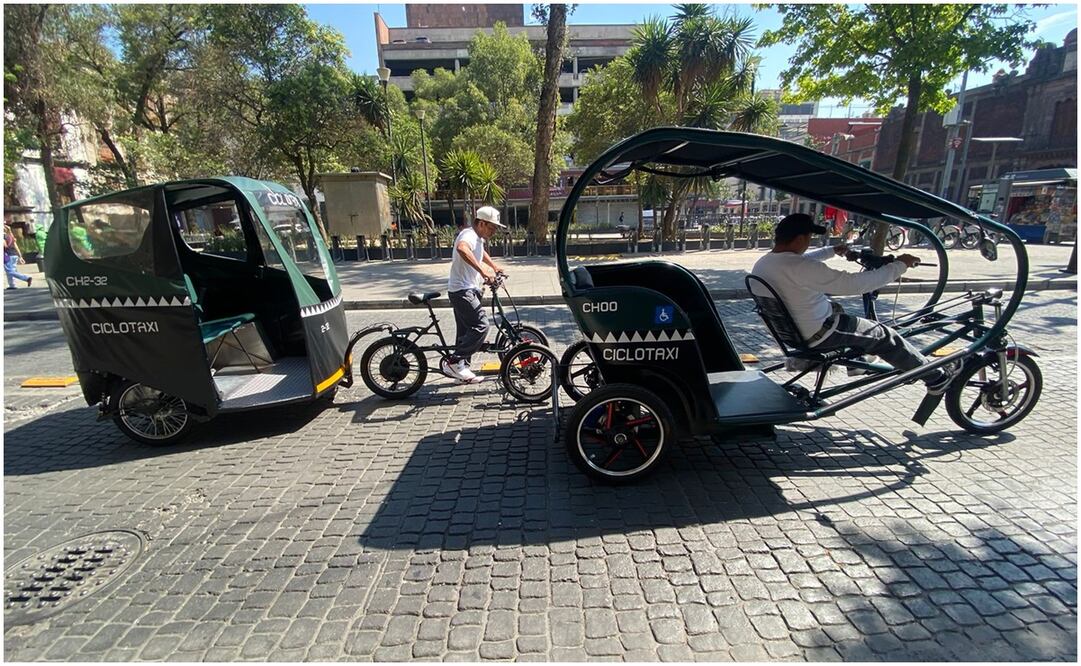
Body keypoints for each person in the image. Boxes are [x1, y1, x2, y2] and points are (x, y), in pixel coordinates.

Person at [751, 213, 955, 394]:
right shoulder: (800, 267)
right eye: (809, 237)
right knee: (884, 335)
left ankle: (856, 363)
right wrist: (900, 265)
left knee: (838, 309)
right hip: (820, 334)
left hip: (792, 333)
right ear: (800, 239)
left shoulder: (765, 263)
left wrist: (831, 251)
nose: (809, 242)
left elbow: (802, 260)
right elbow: (855, 285)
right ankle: (936, 377)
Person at [442, 206, 507, 382]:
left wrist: (493, 266)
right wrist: (484, 272)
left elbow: (479, 252)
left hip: (467, 289)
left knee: (465, 332)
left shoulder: (477, 238)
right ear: (481, 223)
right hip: (462, 290)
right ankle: (454, 362)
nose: (493, 232)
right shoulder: (468, 235)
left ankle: (460, 370)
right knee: (481, 325)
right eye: (492, 228)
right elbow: (463, 249)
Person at [4, 224, 32, 290]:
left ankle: (26, 278)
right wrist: (20, 256)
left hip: (8, 255)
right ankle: (12, 285)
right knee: (12, 270)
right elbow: (16, 247)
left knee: (10, 271)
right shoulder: (11, 237)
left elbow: (5, 246)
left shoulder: (4, 237)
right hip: (14, 255)